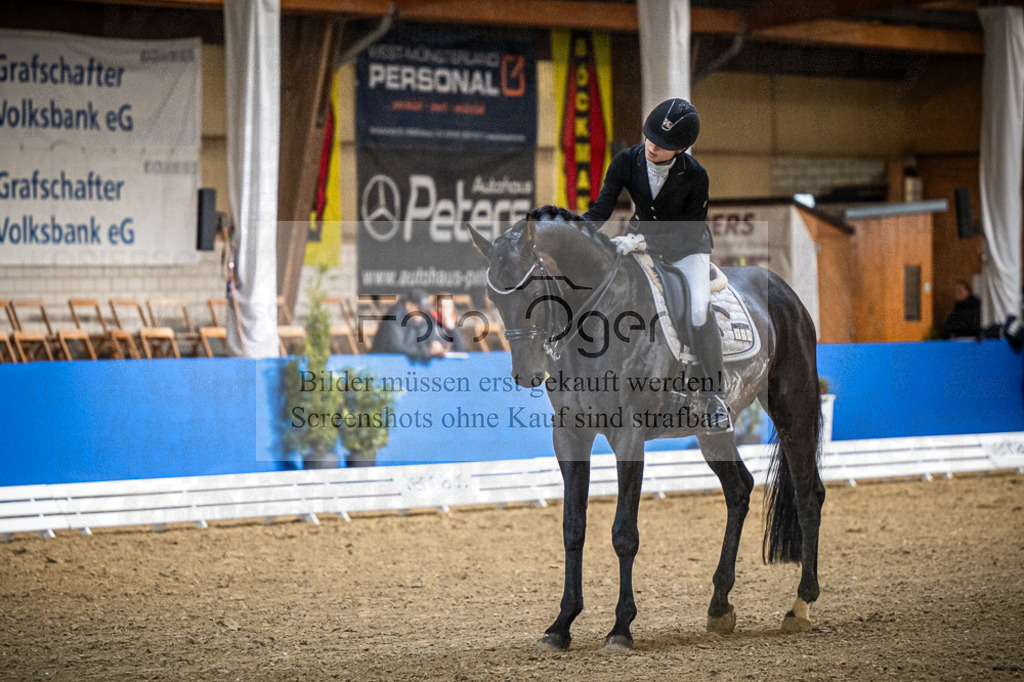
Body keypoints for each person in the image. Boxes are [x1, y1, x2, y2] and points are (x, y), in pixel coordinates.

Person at [582, 97, 730, 432]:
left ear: (680, 149)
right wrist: (575, 232)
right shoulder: (627, 160)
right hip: (638, 241)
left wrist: (644, 242)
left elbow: (689, 230)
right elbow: (602, 208)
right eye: (651, 138)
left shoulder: (696, 176)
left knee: (697, 311)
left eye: (663, 145)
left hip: (687, 248)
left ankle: (713, 395)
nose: (652, 147)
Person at [370, 288, 449, 361]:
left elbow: (433, 339)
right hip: (384, 365)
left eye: (425, 309)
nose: (423, 313)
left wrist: (440, 347)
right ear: (409, 305)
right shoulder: (394, 317)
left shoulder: (424, 318)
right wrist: (428, 351)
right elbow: (398, 347)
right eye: (420, 309)